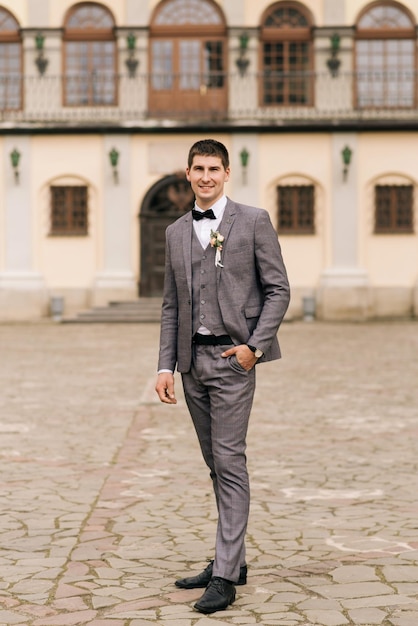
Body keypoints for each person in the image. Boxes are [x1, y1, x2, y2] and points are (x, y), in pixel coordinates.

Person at [155, 139, 290, 614]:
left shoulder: (253, 221)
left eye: (215, 168)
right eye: (199, 168)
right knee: (216, 464)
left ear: (227, 173)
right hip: (192, 367)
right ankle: (233, 558)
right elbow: (172, 305)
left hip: (235, 363)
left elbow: (278, 289)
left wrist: (254, 348)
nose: (206, 176)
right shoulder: (175, 232)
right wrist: (164, 366)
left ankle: (226, 575)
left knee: (229, 463)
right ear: (187, 173)